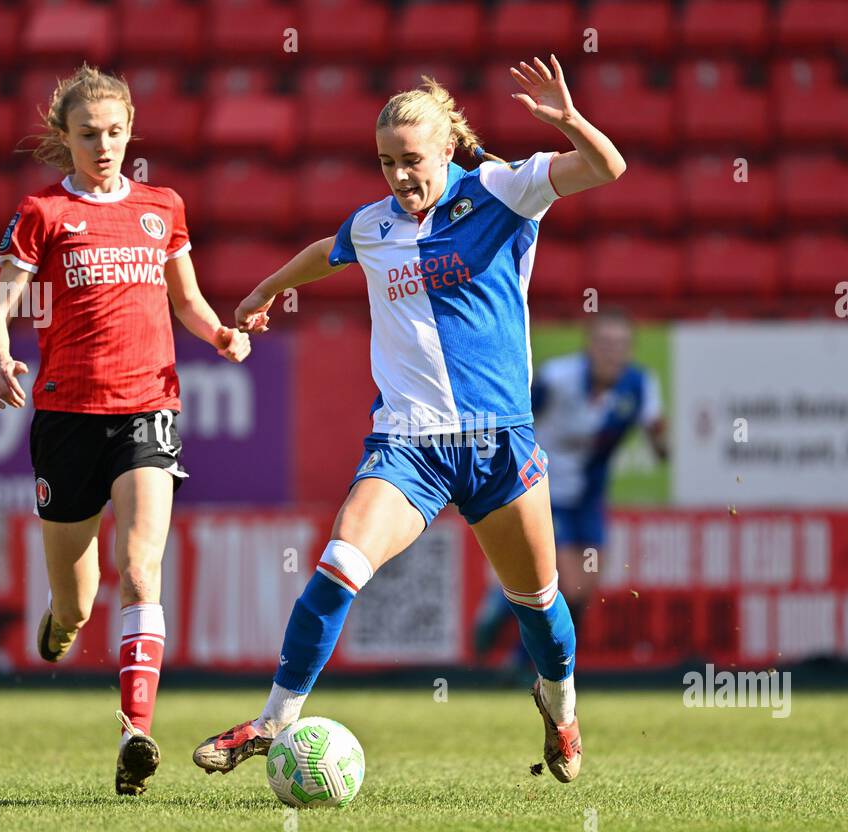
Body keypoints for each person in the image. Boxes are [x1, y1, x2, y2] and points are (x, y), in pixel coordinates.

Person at [192, 55, 625, 785]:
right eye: (387, 161)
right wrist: (265, 289)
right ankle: (271, 722)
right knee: (338, 564)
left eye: (412, 160)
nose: (399, 175)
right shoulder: (373, 225)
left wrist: (569, 122)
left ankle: (561, 708)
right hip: (407, 447)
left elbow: (606, 169)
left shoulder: (502, 189)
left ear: (447, 150)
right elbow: (325, 254)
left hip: (496, 442)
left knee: (540, 603)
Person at [0, 65, 251, 795]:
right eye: (88, 134)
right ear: (64, 138)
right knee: (77, 598)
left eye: (115, 132)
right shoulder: (42, 212)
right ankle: (62, 623)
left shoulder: (163, 207)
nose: (104, 146)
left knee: (139, 570)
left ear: (131, 131)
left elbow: (187, 301)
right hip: (67, 414)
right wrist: (2, 359)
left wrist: (220, 335)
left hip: (147, 407)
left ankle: (136, 731)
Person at [473, 312, 665, 671]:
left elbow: (656, 428)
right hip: (542, 490)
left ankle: (516, 647)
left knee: (583, 591)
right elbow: (517, 416)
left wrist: (663, 444)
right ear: (589, 346)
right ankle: (513, 637)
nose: (612, 352)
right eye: (605, 344)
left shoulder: (639, 385)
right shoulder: (557, 379)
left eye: (621, 345)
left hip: (589, 499)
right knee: (564, 581)